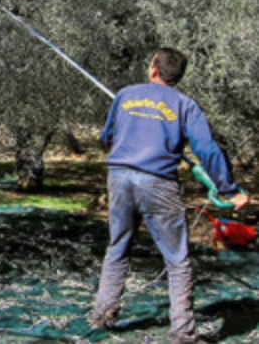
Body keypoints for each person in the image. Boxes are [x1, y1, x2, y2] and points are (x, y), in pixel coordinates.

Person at [90, 48, 250, 344]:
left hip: (119, 178)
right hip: (158, 183)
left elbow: (106, 137)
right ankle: (183, 335)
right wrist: (228, 189)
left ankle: (101, 317)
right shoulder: (185, 105)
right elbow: (207, 149)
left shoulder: (125, 95)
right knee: (177, 260)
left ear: (154, 68)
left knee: (118, 248)